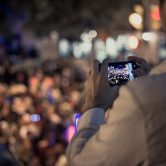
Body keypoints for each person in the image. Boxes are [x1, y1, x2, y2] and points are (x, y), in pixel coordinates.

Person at [66, 0, 166, 165]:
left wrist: (94, 106)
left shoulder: (143, 99)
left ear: (162, 15)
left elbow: (82, 162)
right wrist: (151, 82)